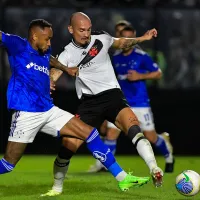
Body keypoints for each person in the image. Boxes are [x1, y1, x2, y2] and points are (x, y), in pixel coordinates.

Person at [0, 19, 151, 194]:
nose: (50, 43)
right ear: (34, 36)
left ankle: (123, 178)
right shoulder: (18, 44)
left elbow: (51, 59)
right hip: (26, 113)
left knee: (90, 133)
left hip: (48, 110)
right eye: (47, 39)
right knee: (8, 164)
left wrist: (66, 69)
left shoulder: (44, 50)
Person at [42, 12, 163, 197]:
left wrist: (143, 38)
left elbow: (121, 43)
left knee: (133, 127)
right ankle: (57, 187)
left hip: (113, 97)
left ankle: (154, 168)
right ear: (70, 29)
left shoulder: (101, 38)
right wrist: (50, 81)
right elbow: (55, 73)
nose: (86, 34)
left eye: (88, 29)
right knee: (68, 145)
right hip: (89, 104)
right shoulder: (67, 53)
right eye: (81, 30)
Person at [88, 25, 174, 174]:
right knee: (111, 133)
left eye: (130, 37)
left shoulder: (142, 56)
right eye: (125, 37)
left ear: (134, 37)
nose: (128, 40)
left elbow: (158, 73)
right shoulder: (115, 57)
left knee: (151, 137)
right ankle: (106, 166)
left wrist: (140, 76)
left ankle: (168, 156)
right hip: (120, 102)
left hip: (140, 103)